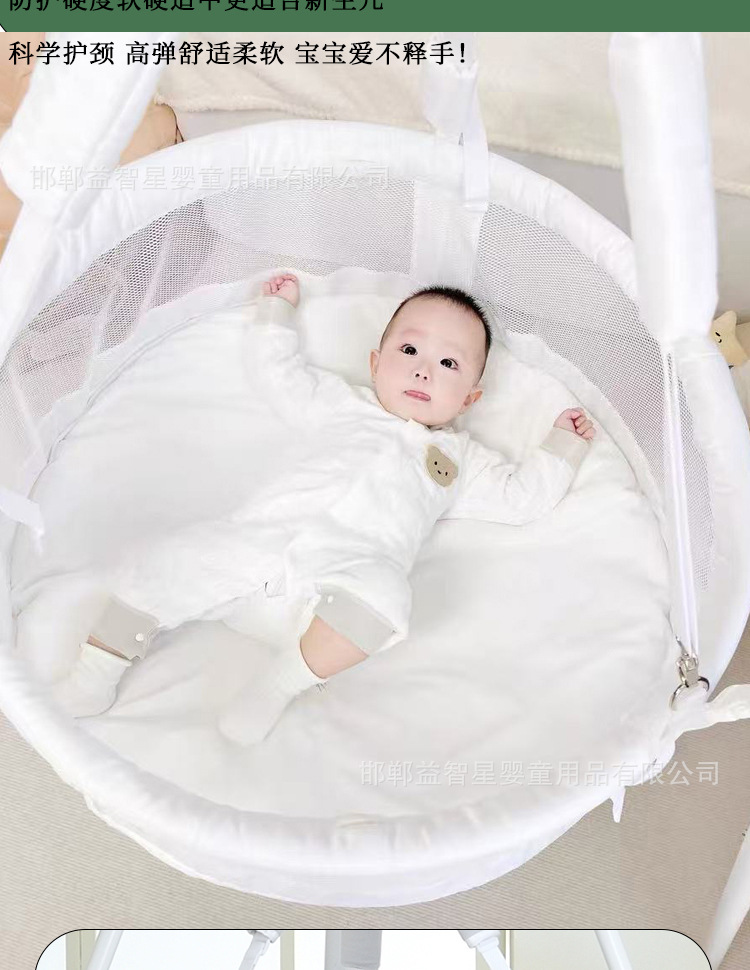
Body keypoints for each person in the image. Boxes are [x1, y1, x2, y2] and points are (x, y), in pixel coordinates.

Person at [54, 272, 596, 744]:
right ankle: (94, 671)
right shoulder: (339, 404)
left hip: (325, 605)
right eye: (409, 351)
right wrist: (275, 314)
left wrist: (561, 448)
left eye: (448, 362)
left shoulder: (461, 461)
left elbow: (520, 499)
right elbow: (279, 377)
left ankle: (277, 686)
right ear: (375, 362)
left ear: (471, 398)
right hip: (249, 550)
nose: (423, 371)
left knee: (387, 595)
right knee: (161, 562)